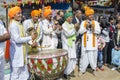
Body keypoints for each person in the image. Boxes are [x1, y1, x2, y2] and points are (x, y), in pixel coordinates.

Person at [8, 6, 37, 80]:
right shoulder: (13, 25)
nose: (20, 15)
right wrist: (31, 38)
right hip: (16, 54)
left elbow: (24, 36)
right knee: (16, 74)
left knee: (24, 73)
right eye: (18, 13)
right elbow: (17, 39)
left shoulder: (19, 24)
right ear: (13, 15)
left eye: (21, 13)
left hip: (23, 53)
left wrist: (31, 42)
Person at [78, 6, 101, 76]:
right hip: (85, 43)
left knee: (93, 56)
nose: (91, 16)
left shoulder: (96, 23)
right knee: (83, 56)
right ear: (87, 16)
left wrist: (93, 28)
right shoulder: (83, 23)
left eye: (92, 15)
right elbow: (80, 32)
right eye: (90, 15)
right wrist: (86, 27)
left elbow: (99, 31)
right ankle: (82, 70)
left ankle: (94, 69)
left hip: (93, 43)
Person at [62, 12, 77, 79]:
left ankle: (70, 71)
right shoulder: (64, 25)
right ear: (66, 18)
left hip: (72, 43)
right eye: (70, 17)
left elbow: (75, 34)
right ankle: (65, 73)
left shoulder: (72, 25)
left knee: (73, 58)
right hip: (66, 44)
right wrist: (74, 29)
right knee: (67, 58)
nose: (71, 18)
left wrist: (76, 29)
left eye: (71, 17)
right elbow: (68, 34)